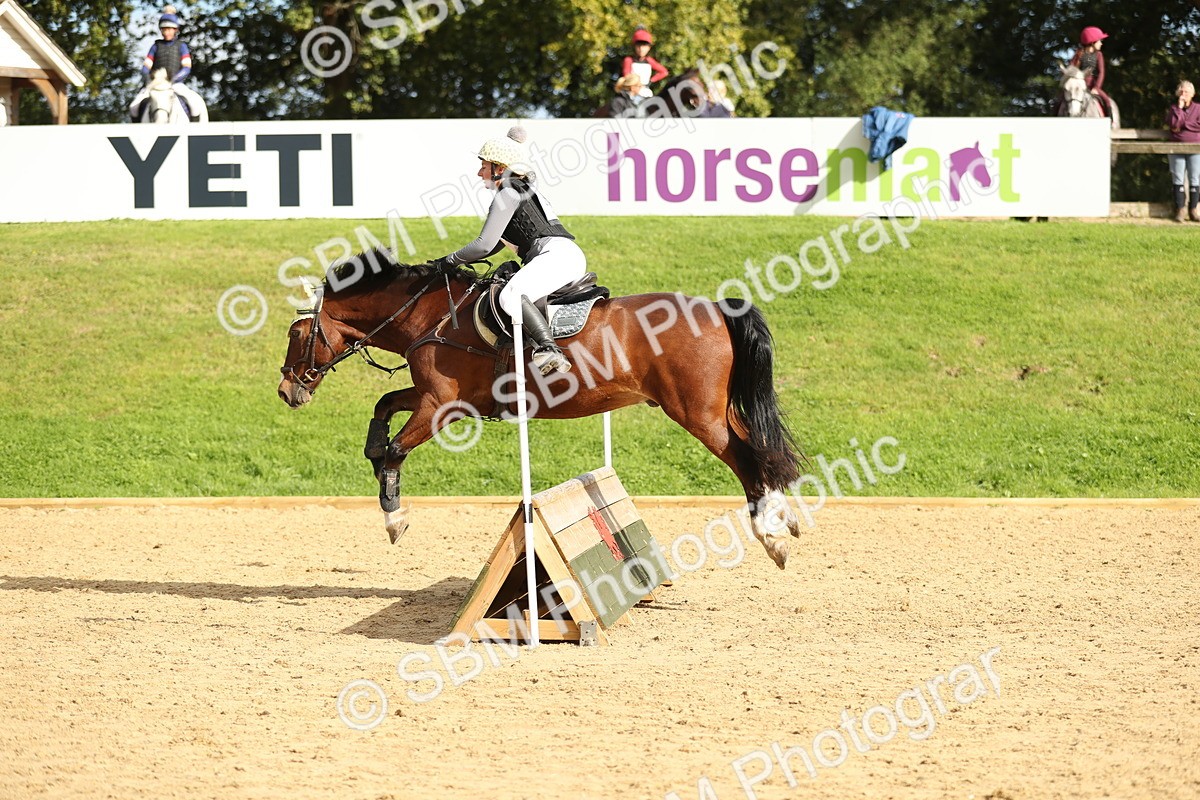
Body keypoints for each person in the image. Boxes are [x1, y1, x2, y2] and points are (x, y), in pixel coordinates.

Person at [431, 127, 585, 375]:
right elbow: (499, 243)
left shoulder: (508, 192)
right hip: (564, 255)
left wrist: (449, 261)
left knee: (510, 296)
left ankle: (549, 349)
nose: (479, 172)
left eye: (484, 166)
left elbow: (484, 244)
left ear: (500, 168)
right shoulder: (520, 189)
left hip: (555, 256)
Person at [128, 6, 204, 121]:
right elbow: (145, 67)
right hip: (156, 85)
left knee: (194, 105)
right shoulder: (155, 47)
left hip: (175, 84)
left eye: (169, 29)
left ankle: (194, 133)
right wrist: (150, 79)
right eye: (164, 29)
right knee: (134, 107)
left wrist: (173, 79)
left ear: (175, 30)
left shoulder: (181, 46)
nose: (166, 31)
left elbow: (187, 67)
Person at [1165, 80, 1200, 223]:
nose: (1183, 94)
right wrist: (1179, 110)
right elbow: (1173, 125)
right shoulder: (1173, 109)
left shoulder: (1198, 108)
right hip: (1176, 147)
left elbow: (1198, 125)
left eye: (1186, 92)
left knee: (1195, 178)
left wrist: (1183, 124)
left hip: (1195, 147)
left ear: (1192, 94)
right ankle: (1180, 210)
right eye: (1181, 91)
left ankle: (1193, 209)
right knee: (1178, 178)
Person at [1069, 26, 1113, 119]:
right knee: (1059, 100)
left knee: (1107, 100)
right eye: (1099, 41)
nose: (1101, 43)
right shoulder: (1079, 54)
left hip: (1093, 85)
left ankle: (1110, 123)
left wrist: (1096, 88)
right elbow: (1071, 70)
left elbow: (1101, 72)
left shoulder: (1098, 55)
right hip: (1079, 85)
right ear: (1093, 42)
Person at [621, 26, 668, 99]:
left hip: (645, 92)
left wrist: (651, 81)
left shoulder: (649, 60)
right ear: (635, 47)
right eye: (639, 46)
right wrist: (636, 85)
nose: (641, 49)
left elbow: (664, 72)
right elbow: (627, 76)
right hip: (632, 93)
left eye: (644, 46)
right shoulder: (629, 60)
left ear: (649, 48)